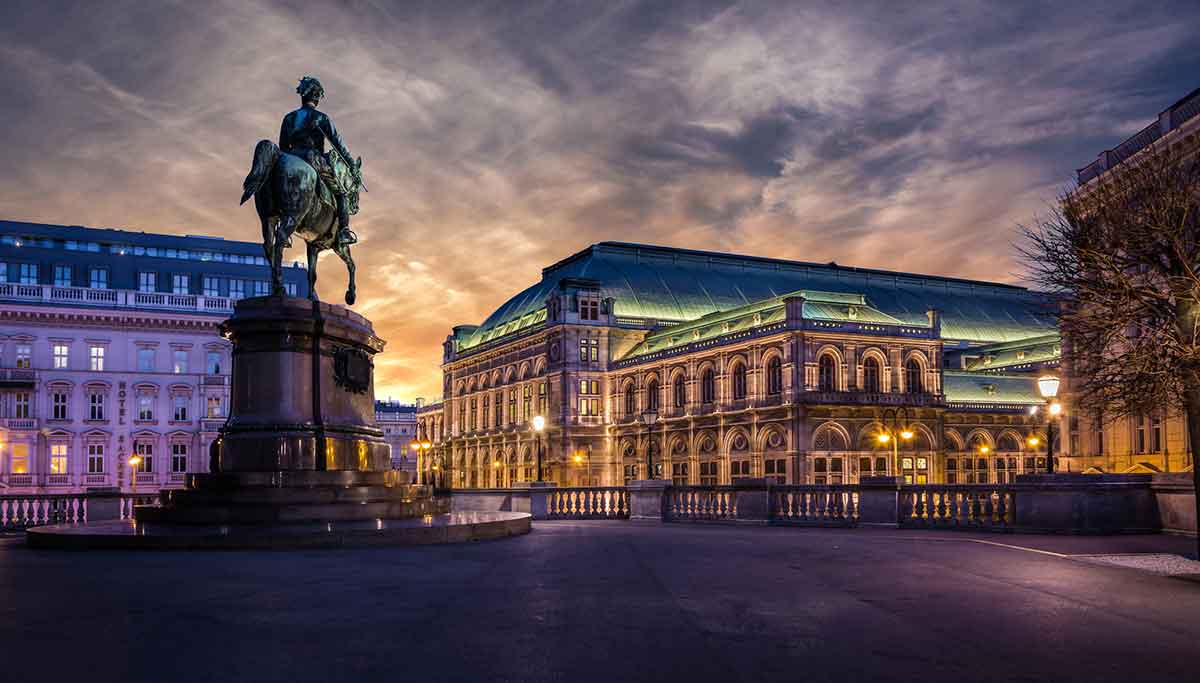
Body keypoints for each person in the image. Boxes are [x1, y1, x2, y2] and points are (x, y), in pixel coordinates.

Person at [278, 76, 358, 246]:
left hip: (290, 158)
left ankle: (282, 226)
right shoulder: (321, 118)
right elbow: (338, 144)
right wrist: (351, 165)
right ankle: (344, 230)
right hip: (313, 159)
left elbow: (283, 146)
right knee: (341, 191)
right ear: (316, 96)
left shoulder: (289, 118)